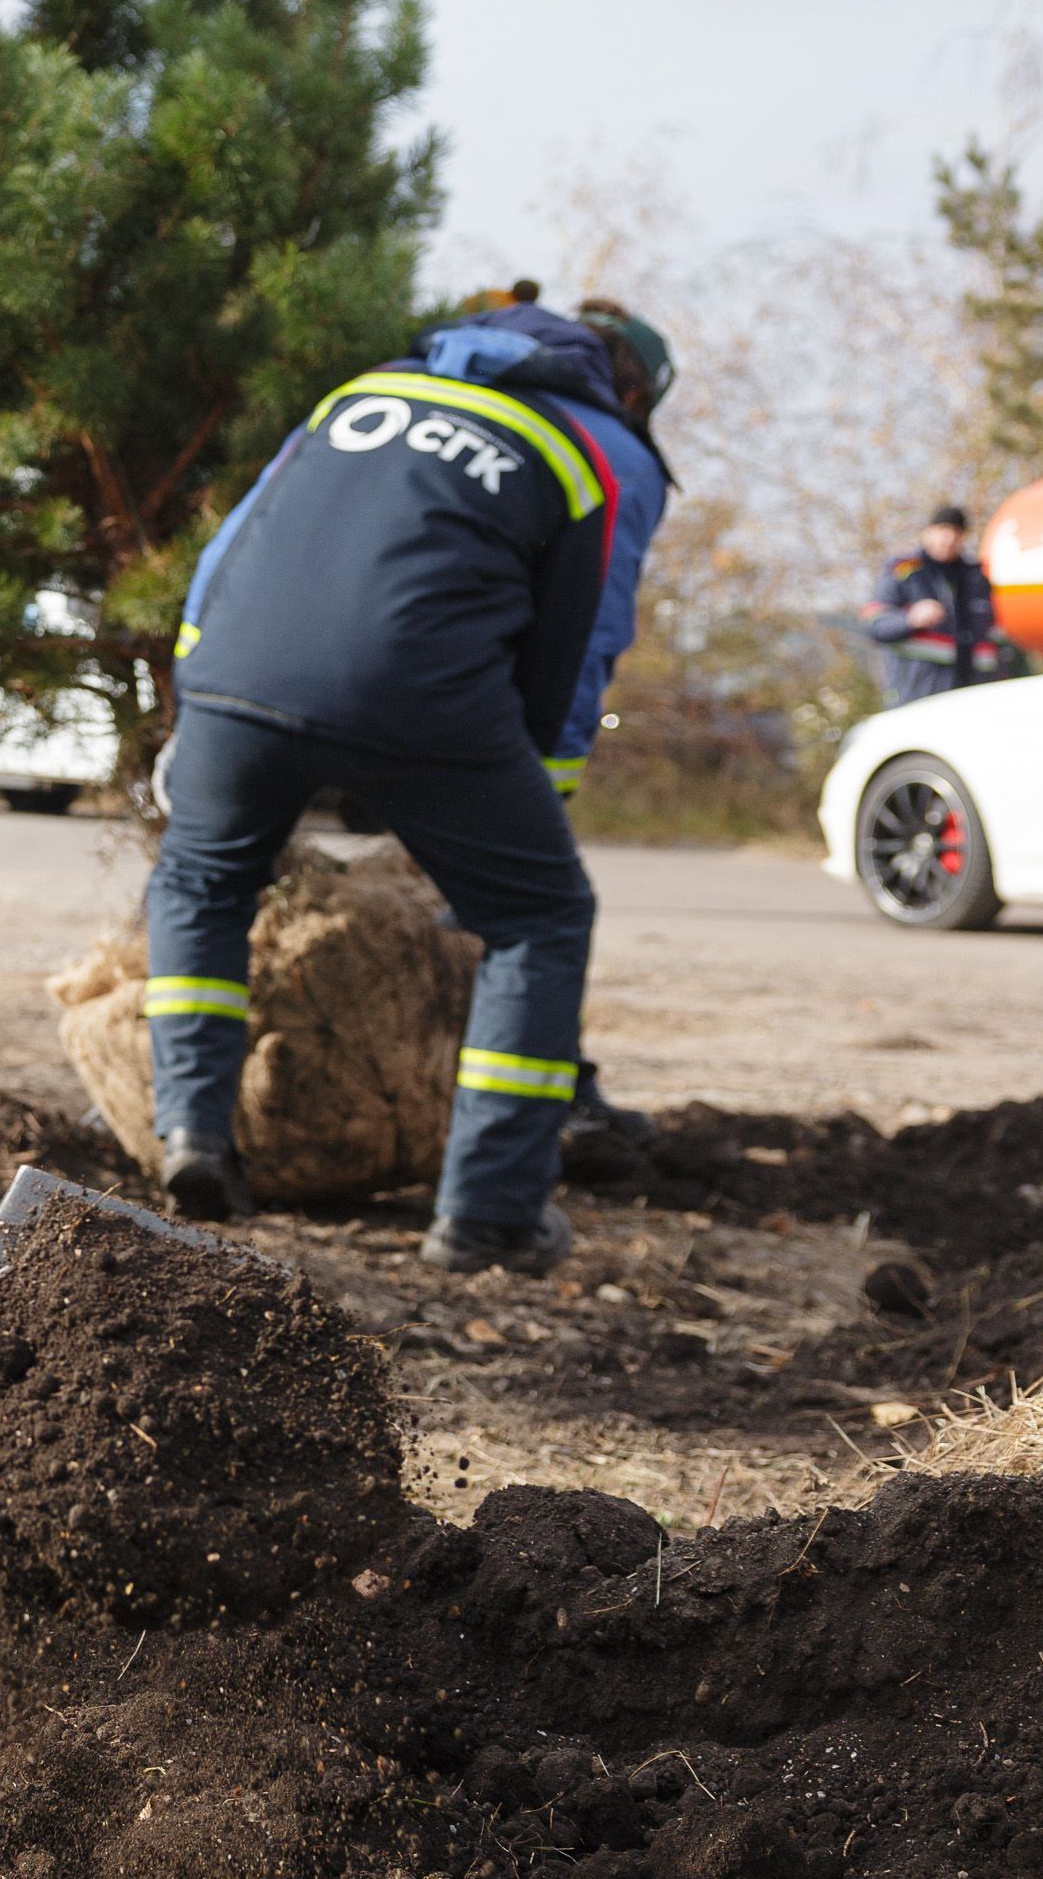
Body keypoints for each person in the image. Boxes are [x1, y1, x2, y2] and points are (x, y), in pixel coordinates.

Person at [142, 283, 671, 1274]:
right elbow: (577, 638)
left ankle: (192, 1139)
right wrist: (536, 794)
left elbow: (226, 555)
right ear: (627, 389)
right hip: (422, 698)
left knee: (199, 881)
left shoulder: (358, 396)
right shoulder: (593, 452)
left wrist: (196, 696)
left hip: (235, 680)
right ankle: (487, 1214)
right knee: (539, 917)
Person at [864, 506, 1002, 701]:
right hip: (918, 693)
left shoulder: (978, 577)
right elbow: (875, 625)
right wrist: (909, 620)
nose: (949, 538)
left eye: (957, 532)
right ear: (927, 533)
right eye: (943, 530)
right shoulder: (904, 571)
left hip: (975, 695)